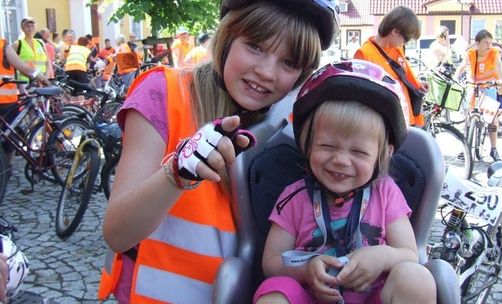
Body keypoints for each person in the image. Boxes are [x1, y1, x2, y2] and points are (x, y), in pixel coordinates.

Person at [98, 0, 338, 303]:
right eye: (255, 46)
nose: (266, 72)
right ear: (227, 38)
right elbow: (117, 233)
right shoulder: (166, 92)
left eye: (289, 63)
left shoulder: (291, 127)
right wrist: (177, 173)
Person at [253, 59, 436, 304]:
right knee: (274, 292)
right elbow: (272, 262)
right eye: (327, 146)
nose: (340, 160)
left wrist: (381, 256)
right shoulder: (294, 196)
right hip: (310, 296)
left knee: (415, 277)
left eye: (359, 153)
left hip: (372, 296)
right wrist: (306, 269)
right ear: (308, 144)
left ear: (384, 155)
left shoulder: (386, 193)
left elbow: (409, 254)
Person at [353, 6, 427, 126]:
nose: (406, 43)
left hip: (406, 121)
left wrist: (417, 85)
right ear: (395, 31)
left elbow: (403, 77)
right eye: (406, 38)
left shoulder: (397, 49)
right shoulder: (364, 54)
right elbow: (362, 99)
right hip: (386, 125)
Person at [454, 29, 502, 161]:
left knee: (492, 119)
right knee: (467, 117)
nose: (489, 45)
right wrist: (455, 78)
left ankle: (494, 149)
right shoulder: (471, 53)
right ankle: (464, 148)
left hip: (489, 86)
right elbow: (462, 66)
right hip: (473, 85)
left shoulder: (494, 53)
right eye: (485, 42)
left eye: (490, 42)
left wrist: (500, 81)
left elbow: (498, 69)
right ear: (477, 43)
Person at [0, 37, 49, 168]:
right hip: (6, 101)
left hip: (6, 100)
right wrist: (42, 77)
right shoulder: (3, 45)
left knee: (7, 135)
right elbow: (23, 67)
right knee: (9, 135)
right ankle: (7, 167)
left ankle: (6, 168)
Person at [11, 17, 49, 83]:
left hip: (42, 81)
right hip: (25, 82)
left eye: (32, 26)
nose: (30, 28)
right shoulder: (17, 44)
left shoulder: (40, 43)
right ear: (22, 28)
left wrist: (46, 78)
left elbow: (48, 62)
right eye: (27, 26)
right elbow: (11, 63)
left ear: (36, 27)